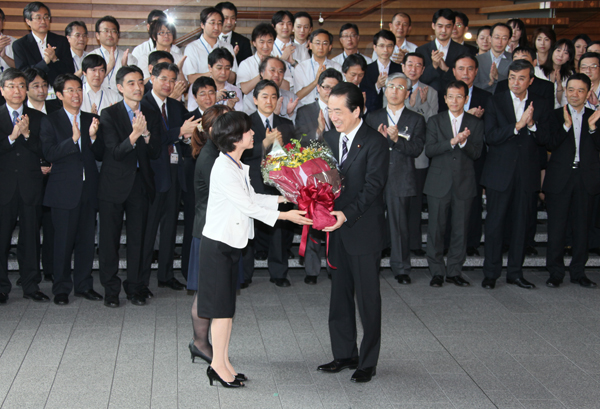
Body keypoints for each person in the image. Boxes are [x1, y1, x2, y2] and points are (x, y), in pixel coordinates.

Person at [199, 110, 311, 387]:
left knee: (226, 309)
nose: (253, 134)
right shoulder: (224, 168)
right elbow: (247, 206)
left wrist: (283, 199)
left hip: (228, 244)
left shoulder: (235, 164)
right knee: (221, 310)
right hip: (218, 247)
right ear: (235, 138)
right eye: (248, 131)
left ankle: (222, 362)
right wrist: (287, 216)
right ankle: (217, 365)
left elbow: (252, 197)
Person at [317, 82, 389, 383]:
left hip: (362, 229)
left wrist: (345, 214)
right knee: (339, 295)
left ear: (357, 110)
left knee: (368, 299)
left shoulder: (375, 141)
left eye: (339, 110)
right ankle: (344, 353)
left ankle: (368, 360)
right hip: (336, 230)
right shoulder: (329, 138)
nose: (333, 116)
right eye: (330, 109)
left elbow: (374, 187)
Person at [480, 59, 551, 290]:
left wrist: (531, 126)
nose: (516, 82)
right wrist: (517, 126)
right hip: (499, 173)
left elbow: (546, 140)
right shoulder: (495, 101)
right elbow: (490, 136)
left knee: (521, 226)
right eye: (512, 77)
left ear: (530, 80)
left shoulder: (540, 103)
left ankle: (515, 273)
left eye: (521, 78)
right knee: (494, 225)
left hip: (527, 173)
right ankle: (491, 273)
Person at [97, 66, 161, 308]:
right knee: (109, 240)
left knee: (139, 239)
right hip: (113, 185)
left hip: (140, 185)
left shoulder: (151, 113)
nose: (137, 87)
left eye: (140, 82)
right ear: (120, 88)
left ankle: (135, 287)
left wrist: (146, 136)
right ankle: (111, 290)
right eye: (131, 83)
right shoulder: (109, 114)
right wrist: (134, 135)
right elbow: (114, 151)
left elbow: (155, 152)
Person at [39, 73, 105, 305]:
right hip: (63, 192)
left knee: (87, 242)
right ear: (59, 95)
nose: (76, 94)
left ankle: (84, 286)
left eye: (79, 89)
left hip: (89, 190)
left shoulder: (91, 118)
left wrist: (94, 138)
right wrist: (74, 140)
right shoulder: (51, 120)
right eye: (70, 90)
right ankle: (61, 289)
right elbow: (49, 153)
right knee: (63, 243)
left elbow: (100, 154)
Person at [140, 62, 200, 295]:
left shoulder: (176, 106)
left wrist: (185, 138)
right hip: (152, 176)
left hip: (174, 174)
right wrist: (179, 132)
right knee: (148, 230)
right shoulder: (143, 106)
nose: (168, 84)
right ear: (152, 78)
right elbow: (154, 141)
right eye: (163, 78)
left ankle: (166, 275)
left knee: (169, 228)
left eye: (172, 80)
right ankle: (141, 280)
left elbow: (187, 139)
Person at [539, 73, 600, 289]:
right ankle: (555, 272)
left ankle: (578, 272)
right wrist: (565, 126)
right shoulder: (554, 116)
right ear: (565, 91)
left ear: (587, 92)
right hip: (560, 179)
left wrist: (593, 128)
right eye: (571, 90)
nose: (575, 94)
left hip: (586, 179)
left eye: (580, 90)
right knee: (556, 228)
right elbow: (547, 142)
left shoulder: (595, 116)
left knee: (582, 228)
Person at [365, 73, 425, 285]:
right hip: (375, 178)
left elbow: (417, 149)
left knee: (399, 225)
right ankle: (370, 265)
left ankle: (401, 268)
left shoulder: (416, 119)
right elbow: (363, 148)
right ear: (385, 90)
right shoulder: (373, 117)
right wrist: (380, 142)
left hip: (401, 177)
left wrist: (395, 139)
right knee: (372, 223)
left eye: (400, 87)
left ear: (407, 93)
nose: (394, 90)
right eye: (391, 86)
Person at [424, 80, 483, 287]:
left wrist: (464, 142)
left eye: (459, 96)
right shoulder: (434, 121)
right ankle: (437, 271)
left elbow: (477, 153)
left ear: (466, 99)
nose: (455, 100)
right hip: (438, 182)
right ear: (445, 99)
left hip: (464, 182)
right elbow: (429, 150)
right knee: (436, 229)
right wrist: (452, 141)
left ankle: (455, 271)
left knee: (461, 229)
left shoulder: (475, 123)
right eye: (451, 96)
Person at [0, 68, 48, 304]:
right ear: (2, 90)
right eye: (11, 86)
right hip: (3, 188)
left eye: (21, 86)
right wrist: (12, 136)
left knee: (30, 240)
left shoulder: (38, 117)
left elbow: (45, 151)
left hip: (30, 187)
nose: (17, 90)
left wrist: (28, 135)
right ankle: (1, 288)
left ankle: (31, 286)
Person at [187, 104, 231, 364]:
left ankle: (201, 343)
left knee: (208, 291)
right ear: (215, 130)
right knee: (205, 293)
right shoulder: (211, 157)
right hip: (208, 232)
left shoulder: (216, 152)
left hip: (213, 229)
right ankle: (201, 343)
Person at [242, 80, 296, 287]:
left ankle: (279, 272)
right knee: (248, 229)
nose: (269, 101)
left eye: (273, 96)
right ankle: (245, 274)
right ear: (255, 99)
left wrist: (279, 148)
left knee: (279, 229)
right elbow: (241, 153)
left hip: (278, 185)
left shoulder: (286, 124)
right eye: (264, 96)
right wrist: (264, 144)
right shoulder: (245, 122)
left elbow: (293, 156)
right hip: (252, 181)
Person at [449, 55, 492, 257]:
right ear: (454, 71)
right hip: (448, 158)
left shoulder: (486, 97)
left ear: (476, 71)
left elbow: (491, 130)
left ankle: (472, 242)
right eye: (461, 68)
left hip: (474, 157)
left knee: (472, 202)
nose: (465, 73)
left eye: (470, 69)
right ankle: (448, 242)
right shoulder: (446, 94)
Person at [402, 52, 439, 257]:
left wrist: (422, 105)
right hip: (397, 154)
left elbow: (433, 125)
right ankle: (393, 242)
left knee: (415, 203)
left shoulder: (431, 92)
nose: (413, 69)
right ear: (403, 67)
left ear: (423, 70)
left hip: (419, 156)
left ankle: (414, 243)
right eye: (410, 64)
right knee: (397, 202)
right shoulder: (394, 89)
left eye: (418, 65)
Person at [12, 2, 75, 88]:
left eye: (46, 17)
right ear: (28, 21)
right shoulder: (20, 45)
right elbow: (24, 74)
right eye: (38, 18)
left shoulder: (61, 41)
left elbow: (70, 71)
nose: (43, 21)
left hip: (57, 94)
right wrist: (45, 62)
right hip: (33, 94)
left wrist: (55, 59)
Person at [183, 8, 237, 92]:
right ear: (202, 24)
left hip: (224, 95)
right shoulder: (192, 48)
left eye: (219, 23)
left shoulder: (228, 47)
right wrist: (214, 73)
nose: (216, 27)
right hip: (202, 96)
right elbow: (191, 78)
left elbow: (232, 78)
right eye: (212, 23)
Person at [415, 9, 467, 94]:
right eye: (440, 26)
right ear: (433, 26)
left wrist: (447, 69)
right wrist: (434, 66)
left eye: (448, 26)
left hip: (454, 98)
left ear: (453, 27)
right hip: (429, 99)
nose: (443, 30)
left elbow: (464, 79)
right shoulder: (422, 50)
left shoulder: (462, 51)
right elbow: (420, 79)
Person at [243, 56, 299, 123]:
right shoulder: (251, 98)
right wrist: (273, 115)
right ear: (262, 73)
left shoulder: (291, 97)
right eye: (272, 70)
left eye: (280, 71)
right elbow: (249, 125)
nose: (276, 74)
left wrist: (290, 114)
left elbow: (302, 124)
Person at [88, 16, 138, 91]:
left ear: (118, 35)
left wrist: (125, 67)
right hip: (98, 100)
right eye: (106, 31)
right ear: (97, 35)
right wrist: (110, 66)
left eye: (113, 31)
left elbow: (135, 84)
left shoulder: (129, 57)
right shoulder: (90, 57)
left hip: (120, 100)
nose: (110, 34)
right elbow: (88, 83)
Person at [294, 29, 342, 106]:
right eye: (317, 43)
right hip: (306, 110)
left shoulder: (337, 67)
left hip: (330, 109)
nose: (321, 47)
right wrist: (315, 81)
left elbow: (340, 93)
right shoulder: (301, 67)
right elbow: (297, 96)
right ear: (310, 45)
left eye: (325, 44)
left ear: (330, 47)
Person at [361, 30, 402, 112]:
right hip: (373, 114)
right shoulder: (366, 70)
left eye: (389, 46)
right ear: (375, 47)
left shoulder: (400, 69)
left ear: (393, 48)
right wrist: (377, 86)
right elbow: (365, 97)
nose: (386, 50)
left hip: (395, 112)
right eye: (382, 46)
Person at [296, 68, 342, 139]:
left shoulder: (344, 111)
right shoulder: (304, 112)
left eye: (334, 88)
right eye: (326, 87)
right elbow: (300, 140)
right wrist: (319, 130)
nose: (330, 91)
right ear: (318, 88)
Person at [237, 23, 281, 95]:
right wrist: (263, 74)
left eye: (269, 42)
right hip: (252, 104)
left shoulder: (279, 63)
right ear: (254, 43)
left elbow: (287, 87)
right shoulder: (246, 63)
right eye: (262, 42)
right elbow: (244, 90)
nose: (265, 46)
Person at [270, 10, 310, 87]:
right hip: (277, 92)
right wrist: (282, 59)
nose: (285, 27)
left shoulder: (302, 49)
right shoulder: (270, 49)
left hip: (300, 93)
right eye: (281, 24)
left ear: (292, 27)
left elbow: (308, 76)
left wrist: (293, 63)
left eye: (289, 24)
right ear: (274, 27)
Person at [535, 39, 575, 108]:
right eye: (558, 50)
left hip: (558, 112)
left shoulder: (569, 75)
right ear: (552, 51)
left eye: (566, 53)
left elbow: (562, 102)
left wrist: (559, 84)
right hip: (539, 109)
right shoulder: (538, 71)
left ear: (569, 58)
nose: (560, 55)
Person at [474, 23, 513, 94]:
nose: (499, 42)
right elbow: (473, 84)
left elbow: (515, 83)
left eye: (504, 38)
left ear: (509, 41)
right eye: (497, 37)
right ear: (490, 38)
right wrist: (489, 83)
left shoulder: (513, 59)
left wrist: (498, 77)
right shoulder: (477, 60)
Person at [203, 48, 242, 112]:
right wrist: (212, 100)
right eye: (219, 68)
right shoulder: (199, 88)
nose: (223, 72)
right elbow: (194, 113)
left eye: (227, 68)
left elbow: (240, 118)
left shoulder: (235, 90)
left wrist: (230, 108)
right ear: (210, 67)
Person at [0, 8, 16, 77]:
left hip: (9, 85)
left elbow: (20, 68)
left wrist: (4, 57)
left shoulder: (13, 42)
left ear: (3, 21)